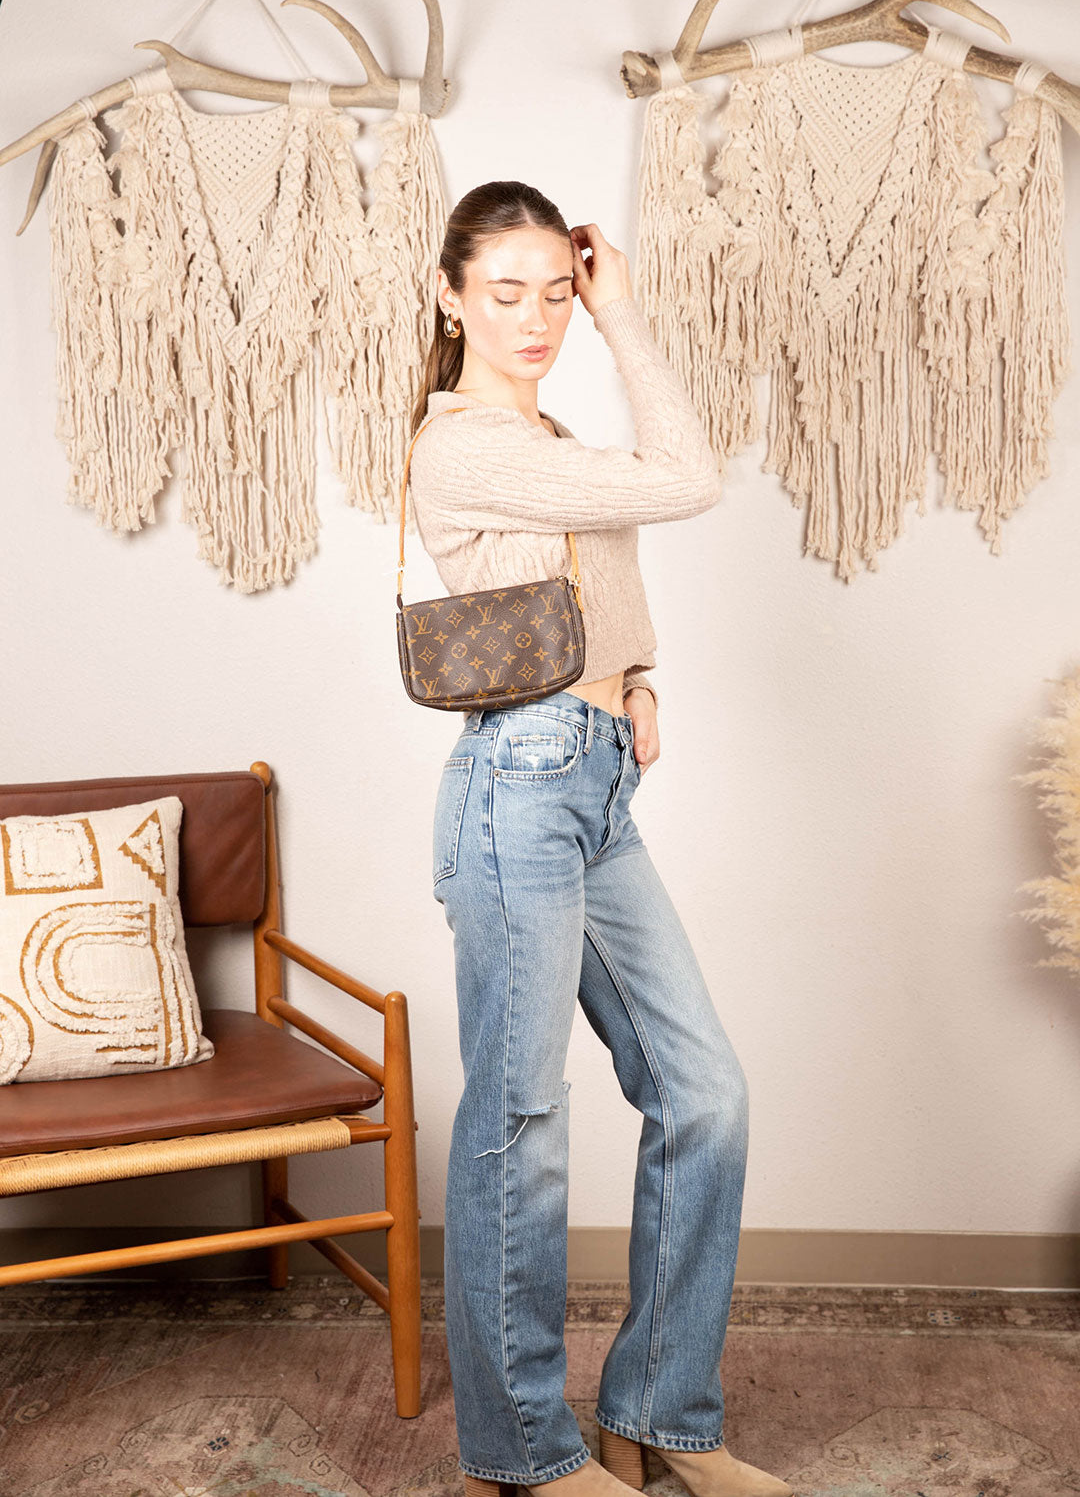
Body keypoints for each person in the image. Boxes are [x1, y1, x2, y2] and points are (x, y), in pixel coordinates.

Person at [407, 182, 793, 1497]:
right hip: (515, 789)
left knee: (704, 1093)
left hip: (591, 787)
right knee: (519, 1122)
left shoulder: (549, 436)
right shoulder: (464, 442)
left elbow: (596, 580)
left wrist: (636, 680)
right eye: (504, 291)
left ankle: (662, 1417)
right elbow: (687, 476)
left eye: (560, 292)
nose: (537, 317)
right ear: (451, 296)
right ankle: (521, 1450)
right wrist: (624, 311)